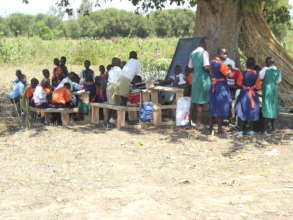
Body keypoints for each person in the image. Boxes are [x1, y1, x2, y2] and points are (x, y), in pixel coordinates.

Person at [235, 57, 261, 137]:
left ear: (246, 64)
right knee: (252, 111)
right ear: (254, 65)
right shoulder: (256, 75)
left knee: (241, 111)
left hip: (244, 94)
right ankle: (250, 130)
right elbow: (258, 87)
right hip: (252, 95)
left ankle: (240, 130)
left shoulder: (242, 73)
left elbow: (238, 84)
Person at [188, 38, 211, 128]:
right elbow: (206, 67)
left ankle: (189, 121)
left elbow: (190, 67)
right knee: (201, 102)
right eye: (207, 45)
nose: (207, 46)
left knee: (194, 101)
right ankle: (199, 123)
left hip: (195, 78)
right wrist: (210, 71)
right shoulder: (204, 53)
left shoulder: (192, 53)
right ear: (204, 44)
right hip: (203, 79)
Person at [209, 48, 232, 135]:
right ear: (219, 54)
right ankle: (219, 129)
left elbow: (210, 73)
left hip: (213, 85)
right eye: (224, 54)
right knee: (221, 107)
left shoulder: (212, 62)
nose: (226, 56)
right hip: (221, 86)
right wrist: (230, 71)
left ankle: (211, 127)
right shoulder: (222, 65)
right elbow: (229, 75)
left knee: (213, 105)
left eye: (226, 54)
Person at [259, 57, 281, 133]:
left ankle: (265, 129)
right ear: (273, 63)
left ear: (266, 63)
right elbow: (278, 81)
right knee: (273, 107)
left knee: (266, 107)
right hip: (274, 91)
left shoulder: (264, 70)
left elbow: (260, 77)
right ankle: (273, 128)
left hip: (267, 90)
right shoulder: (278, 71)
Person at [107, 57, 122, 124]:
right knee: (117, 103)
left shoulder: (111, 69)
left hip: (109, 86)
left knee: (111, 103)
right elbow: (121, 78)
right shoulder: (118, 69)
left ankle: (110, 119)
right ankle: (114, 119)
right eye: (120, 62)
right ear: (117, 63)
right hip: (115, 86)